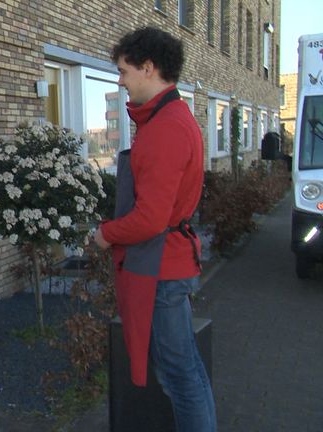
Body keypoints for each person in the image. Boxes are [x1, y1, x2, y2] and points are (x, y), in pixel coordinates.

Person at [93, 27, 216, 431]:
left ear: (149, 68)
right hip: (165, 263)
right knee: (186, 372)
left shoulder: (165, 128)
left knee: (180, 377)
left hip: (161, 270)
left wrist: (107, 233)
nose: (120, 80)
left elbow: (151, 219)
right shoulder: (168, 119)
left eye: (124, 71)